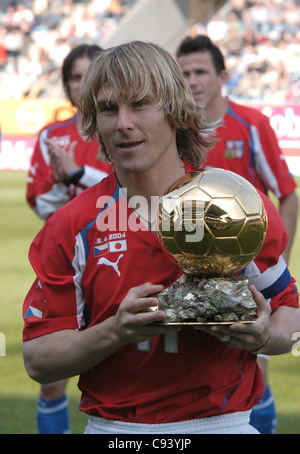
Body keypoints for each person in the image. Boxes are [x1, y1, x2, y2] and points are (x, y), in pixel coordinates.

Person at [22, 41, 300, 435]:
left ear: (175, 110)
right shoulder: (71, 225)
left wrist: (263, 335)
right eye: (108, 109)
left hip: (222, 426)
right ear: (93, 122)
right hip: (113, 431)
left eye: (139, 104)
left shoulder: (235, 208)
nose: (123, 123)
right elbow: (38, 359)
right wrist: (115, 331)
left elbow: (292, 319)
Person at [176, 34, 299, 434]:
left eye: (200, 72)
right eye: (184, 72)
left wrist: (281, 263)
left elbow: (286, 194)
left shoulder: (251, 123)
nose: (192, 80)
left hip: (249, 267)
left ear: (222, 76)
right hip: (190, 264)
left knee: (255, 368)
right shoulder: (175, 130)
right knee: (194, 369)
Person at [26, 43, 112, 434]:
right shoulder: (52, 136)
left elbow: (128, 193)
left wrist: (78, 175)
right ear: (66, 86)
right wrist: (68, 184)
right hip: (68, 257)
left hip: (115, 254)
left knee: (121, 365)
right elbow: (41, 199)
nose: (82, 84)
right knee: (51, 377)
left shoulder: (119, 127)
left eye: (89, 74)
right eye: (75, 77)